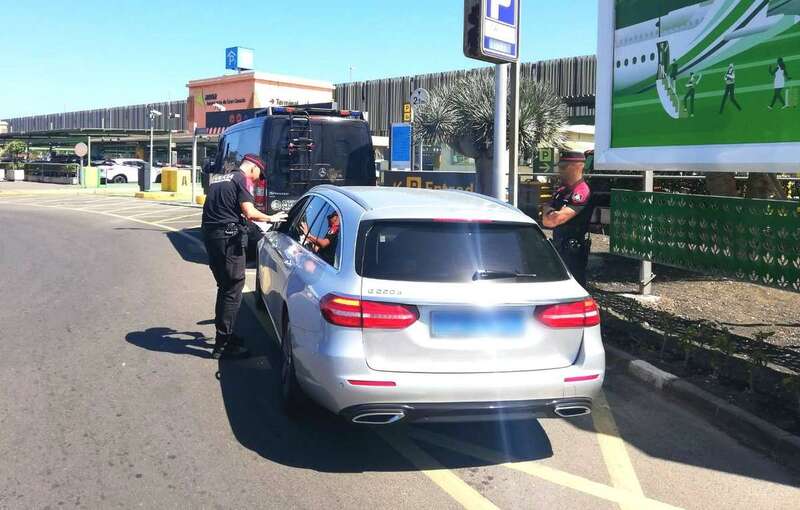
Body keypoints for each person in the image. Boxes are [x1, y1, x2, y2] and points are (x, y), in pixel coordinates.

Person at [201, 154, 287, 359]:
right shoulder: (242, 180)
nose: (258, 180)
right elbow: (249, 212)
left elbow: (219, 210)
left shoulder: (220, 178)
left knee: (225, 288)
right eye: (259, 175)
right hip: (228, 242)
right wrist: (271, 217)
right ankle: (223, 345)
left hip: (213, 240)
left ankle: (226, 336)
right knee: (232, 290)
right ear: (253, 168)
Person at [542, 150, 593, 287]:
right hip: (559, 247)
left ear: (577, 167)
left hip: (573, 251)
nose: (560, 170)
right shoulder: (562, 191)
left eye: (563, 167)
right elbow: (545, 219)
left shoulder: (581, 192)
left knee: (574, 287)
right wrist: (548, 213)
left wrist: (549, 212)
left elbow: (553, 220)